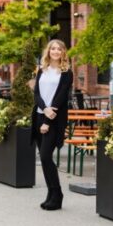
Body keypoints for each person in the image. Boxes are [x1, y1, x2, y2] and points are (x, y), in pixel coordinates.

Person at [30, 39, 73, 211]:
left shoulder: (66, 73)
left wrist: (48, 120)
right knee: (44, 158)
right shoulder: (42, 70)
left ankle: (58, 194)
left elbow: (61, 97)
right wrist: (44, 109)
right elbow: (36, 94)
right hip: (40, 116)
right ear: (48, 51)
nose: (56, 51)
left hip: (54, 120)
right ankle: (51, 194)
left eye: (59, 49)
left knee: (46, 157)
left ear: (63, 52)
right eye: (53, 48)